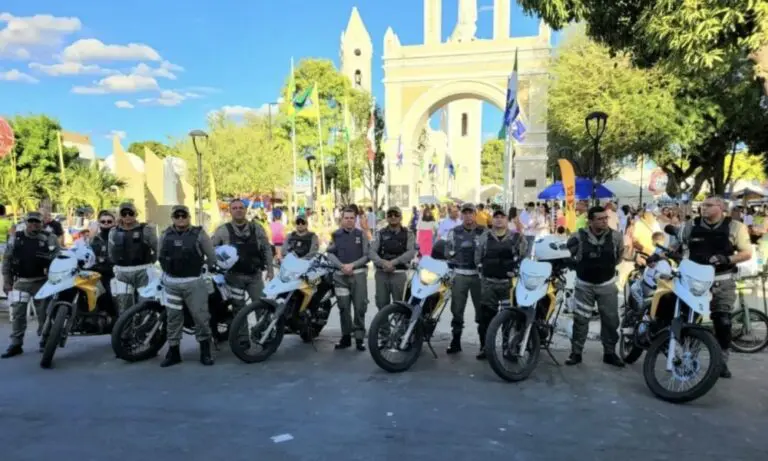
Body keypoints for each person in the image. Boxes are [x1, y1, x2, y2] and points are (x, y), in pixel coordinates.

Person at [678, 196, 752, 378]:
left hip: (722, 280)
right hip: (695, 281)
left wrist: (727, 258)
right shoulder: (691, 226)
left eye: (709, 205)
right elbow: (676, 245)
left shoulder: (735, 227)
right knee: (688, 320)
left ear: (721, 207)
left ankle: (721, 361)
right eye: (702, 205)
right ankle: (687, 357)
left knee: (723, 321)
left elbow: (746, 253)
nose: (704, 208)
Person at [157, 205, 218, 367]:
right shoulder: (165, 234)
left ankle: (205, 351)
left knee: (200, 317)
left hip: (194, 282)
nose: (180, 218)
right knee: (173, 318)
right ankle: (173, 352)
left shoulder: (199, 234)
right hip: (171, 283)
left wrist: (205, 268)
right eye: (177, 216)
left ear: (189, 217)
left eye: (183, 215)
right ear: (172, 218)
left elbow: (211, 256)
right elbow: (159, 255)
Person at [565, 205, 626, 367]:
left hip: (607, 285)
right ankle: (576, 353)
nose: (604, 221)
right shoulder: (578, 237)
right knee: (580, 320)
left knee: (611, 321)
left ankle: (610, 353)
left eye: (606, 218)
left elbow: (619, 257)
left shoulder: (616, 237)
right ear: (590, 221)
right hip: (584, 286)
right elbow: (567, 255)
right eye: (600, 219)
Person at [211, 199, 273, 347]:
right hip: (234, 277)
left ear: (245, 210)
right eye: (234, 208)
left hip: (255, 276)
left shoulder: (256, 228)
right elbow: (211, 249)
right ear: (230, 211)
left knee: (261, 306)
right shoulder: (222, 230)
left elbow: (266, 248)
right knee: (238, 309)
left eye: (241, 207)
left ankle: (264, 336)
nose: (238, 210)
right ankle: (243, 339)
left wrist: (270, 268)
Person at [1, 212, 60, 358]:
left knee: (44, 315)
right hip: (21, 282)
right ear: (26, 222)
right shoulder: (16, 238)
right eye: (31, 221)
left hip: (43, 283)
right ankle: (16, 344)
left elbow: (57, 259)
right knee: (18, 314)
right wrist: (7, 281)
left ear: (42, 223)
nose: (34, 224)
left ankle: (45, 341)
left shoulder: (50, 238)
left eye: (37, 221)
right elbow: (7, 260)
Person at [474, 209, 527, 359]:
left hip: (508, 285)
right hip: (488, 284)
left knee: (508, 319)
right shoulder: (484, 237)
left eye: (502, 217)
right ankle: (485, 347)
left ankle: (507, 348)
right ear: (492, 220)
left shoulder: (517, 237)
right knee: (486, 318)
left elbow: (523, 257)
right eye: (496, 217)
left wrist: (515, 272)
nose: (498, 219)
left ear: (506, 220)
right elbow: (477, 258)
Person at [326, 207, 370, 351]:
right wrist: (341, 266)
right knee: (344, 308)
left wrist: (352, 265)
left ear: (355, 219)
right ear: (342, 219)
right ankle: (345, 337)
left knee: (360, 307)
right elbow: (330, 254)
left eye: (352, 218)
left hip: (358, 275)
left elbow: (367, 256)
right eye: (346, 218)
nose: (349, 220)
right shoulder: (335, 235)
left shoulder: (361, 235)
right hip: (340, 277)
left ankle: (359, 338)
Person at [370, 206, 416, 340]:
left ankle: (400, 335)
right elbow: (371, 251)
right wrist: (383, 263)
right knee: (381, 304)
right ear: (387, 217)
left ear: (401, 217)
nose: (393, 217)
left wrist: (394, 262)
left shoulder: (408, 233)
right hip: (382, 273)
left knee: (400, 306)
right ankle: (385, 334)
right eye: (390, 215)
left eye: (396, 215)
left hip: (399, 273)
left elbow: (411, 252)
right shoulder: (380, 233)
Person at [445, 203, 486, 354]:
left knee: (482, 311)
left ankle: (484, 345)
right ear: (462, 215)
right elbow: (447, 250)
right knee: (456, 310)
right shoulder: (454, 232)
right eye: (465, 213)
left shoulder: (484, 232)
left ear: (475, 215)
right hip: (460, 274)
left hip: (478, 276)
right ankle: (455, 341)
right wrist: (451, 259)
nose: (468, 216)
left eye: (471, 213)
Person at [108, 203, 158, 314]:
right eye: (124, 213)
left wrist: (151, 263)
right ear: (120, 215)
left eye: (130, 213)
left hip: (143, 272)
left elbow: (158, 249)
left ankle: (147, 324)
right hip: (122, 273)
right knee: (124, 308)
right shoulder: (113, 232)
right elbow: (110, 253)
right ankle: (127, 326)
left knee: (146, 305)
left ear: (135, 214)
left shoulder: (146, 230)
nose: (127, 216)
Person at [90, 210, 116, 314]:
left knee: (109, 295)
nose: (106, 223)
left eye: (109, 221)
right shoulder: (94, 238)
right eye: (103, 221)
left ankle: (111, 317)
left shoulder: (118, 236)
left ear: (114, 222)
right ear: (99, 223)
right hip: (95, 272)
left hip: (113, 273)